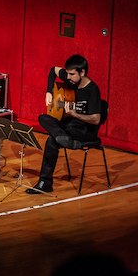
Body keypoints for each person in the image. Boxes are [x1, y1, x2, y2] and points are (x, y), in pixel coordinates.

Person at [27, 54, 102, 194]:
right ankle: (62, 137)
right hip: (67, 127)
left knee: (51, 140)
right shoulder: (70, 80)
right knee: (43, 118)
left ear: (82, 72)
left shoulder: (93, 90)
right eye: (67, 73)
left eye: (72, 74)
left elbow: (96, 119)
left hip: (84, 131)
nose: (68, 77)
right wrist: (49, 91)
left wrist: (75, 115)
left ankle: (45, 183)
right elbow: (52, 70)